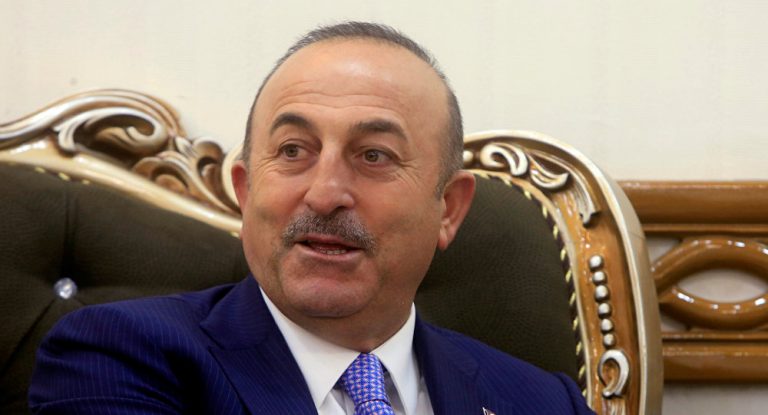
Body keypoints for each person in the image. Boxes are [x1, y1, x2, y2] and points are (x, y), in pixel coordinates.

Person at [29, 22, 595, 415]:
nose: (324, 194)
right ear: (246, 191)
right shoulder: (121, 357)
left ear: (448, 209)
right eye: (293, 151)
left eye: (374, 156)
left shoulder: (544, 403)